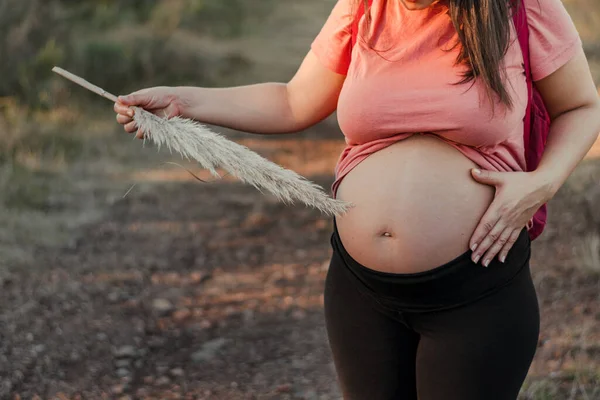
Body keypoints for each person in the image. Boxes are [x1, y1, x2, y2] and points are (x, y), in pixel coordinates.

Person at [114, 0, 600, 398]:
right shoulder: (365, 7)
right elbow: (293, 100)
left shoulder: (521, 8)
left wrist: (543, 182)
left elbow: (581, 106)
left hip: (476, 289)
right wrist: (182, 100)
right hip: (360, 292)